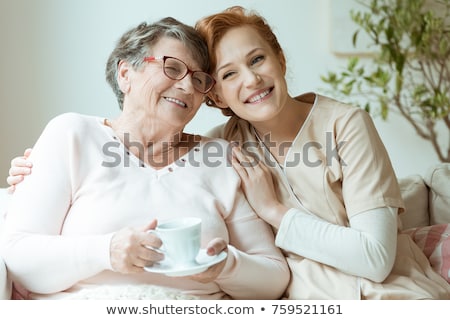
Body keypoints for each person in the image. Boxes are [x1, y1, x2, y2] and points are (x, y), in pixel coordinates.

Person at [7, 6, 450, 300]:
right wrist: (39, 169)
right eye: (226, 74)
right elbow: (22, 250)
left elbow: (359, 261)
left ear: (278, 57)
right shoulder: (220, 146)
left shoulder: (332, 128)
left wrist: (255, 231)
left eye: (257, 60)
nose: (251, 81)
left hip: (377, 294)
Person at [0, 17, 290, 300]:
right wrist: (106, 251)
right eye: (173, 68)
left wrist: (224, 267)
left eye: (199, 79)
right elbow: (19, 256)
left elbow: (273, 279)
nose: (188, 87)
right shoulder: (72, 134)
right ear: (125, 74)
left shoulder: (222, 157)